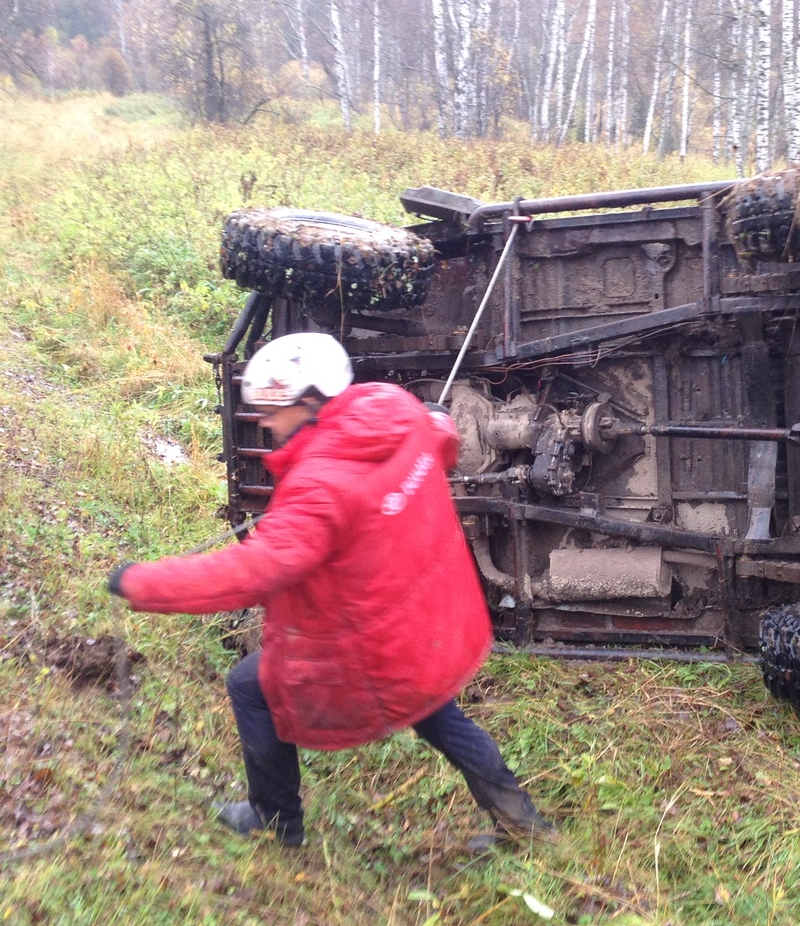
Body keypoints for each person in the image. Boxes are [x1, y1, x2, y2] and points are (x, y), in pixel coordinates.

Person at [107, 332, 553, 848]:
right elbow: (442, 438)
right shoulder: (392, 408)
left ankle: (275, 820)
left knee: (251, 687)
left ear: (314, 403)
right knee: (438, 715)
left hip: (375, 647)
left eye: (273, 411)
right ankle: (525, 827)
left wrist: (142, 582)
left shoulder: (319, 487)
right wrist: (434, 423)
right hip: (427, 624)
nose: (264, 421)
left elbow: (252, 572)